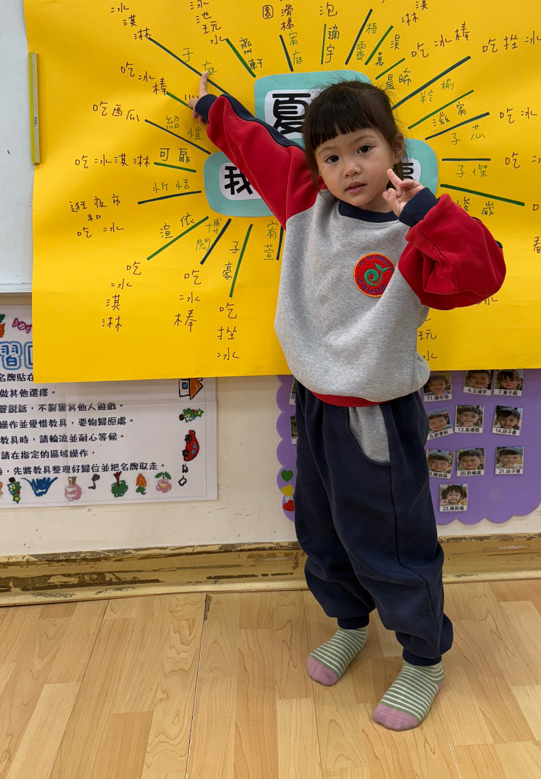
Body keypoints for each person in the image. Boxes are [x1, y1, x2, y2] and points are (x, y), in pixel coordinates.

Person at [189, 72, 505, 730]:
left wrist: (428, 214)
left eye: (364, 148)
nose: (349, 168)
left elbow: (482, 275)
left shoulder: (416, 233)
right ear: (317, 167)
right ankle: (350, 624)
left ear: (394, 149)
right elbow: (256, 146)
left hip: (378, 416)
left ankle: (423, 659)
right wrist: (214, 109)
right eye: (331, 156)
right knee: (322, 530)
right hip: (315, 405)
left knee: (391, 543)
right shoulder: (305, 201)